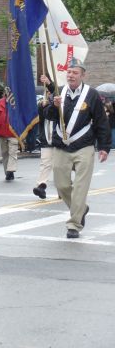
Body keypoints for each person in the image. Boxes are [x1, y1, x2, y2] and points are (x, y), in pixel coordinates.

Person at [45, 58, 111, 239]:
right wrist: (53, 105)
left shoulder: (92, 95)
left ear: (83, 75)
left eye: (75, 72)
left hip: (84, 146)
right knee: (62, 185)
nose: (71, 75)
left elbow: (101, 121)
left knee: (81, 187)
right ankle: (81, 208)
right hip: (62, 146)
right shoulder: (59, 92)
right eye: (69, 72)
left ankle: (74, 224)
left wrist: (104, 146)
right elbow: (49, 116)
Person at [33, 95, 55, 199]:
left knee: (60, 167)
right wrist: (42, 106)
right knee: (45, 164)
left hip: (60, 142)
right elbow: (40, 116)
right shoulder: (44, 104)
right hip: (46, 140)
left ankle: (63, 190)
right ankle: (41, 186)